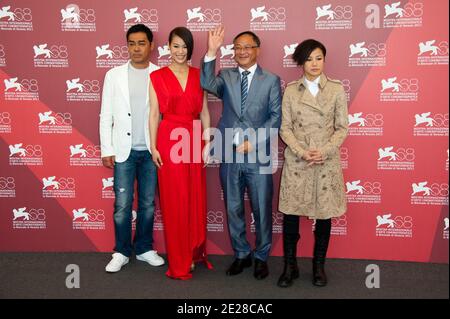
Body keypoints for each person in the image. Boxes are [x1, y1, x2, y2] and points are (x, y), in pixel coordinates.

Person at [201, 26, 282, 280]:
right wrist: (211, 51)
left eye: (247, 47)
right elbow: (206, 83)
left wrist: (254, 141)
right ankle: (241, 253)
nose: (242, 51)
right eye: (237, 48)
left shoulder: (271, 80)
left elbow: (275, 117)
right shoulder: (226, 76)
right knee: (233, 207)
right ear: (233, 52)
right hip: (229, 154)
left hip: (258, 156)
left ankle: (261, 256)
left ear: (257, 50)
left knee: (261, 208)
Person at [277, 39, 348, 287]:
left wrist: (325, 151)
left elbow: (342, 128)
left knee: (325, 216)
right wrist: (301, 151)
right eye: (309, 59)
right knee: (291, 216)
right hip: (299, 162)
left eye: (318, 58)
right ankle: (290, 266)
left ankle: (319, 267)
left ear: (324, 60)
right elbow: (285, 128)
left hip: (325, 163)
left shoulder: (336, 90)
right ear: (300, 62)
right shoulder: (291, 90)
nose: (314, 64)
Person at [100, 24, 165, 273]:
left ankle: (145, 248)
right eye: (131, 43)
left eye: (141, 43)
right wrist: (107, 148)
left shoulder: (160, 74)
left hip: (151, 151)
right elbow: (106, 114)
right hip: (123, 151)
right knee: (123, 204)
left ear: (151, 45)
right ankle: (121, 251)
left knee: (148, 203)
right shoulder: (113, 75)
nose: (136, 48)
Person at [149, 27, 212, 280]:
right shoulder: (157, 76)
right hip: (169, 138)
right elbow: (154, 114)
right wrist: (153, 146)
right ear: (168, 47)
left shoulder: (200, 76)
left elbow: (205, 111)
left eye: (184, 46)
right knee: (175, 202)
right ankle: (179, 260)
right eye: (175, 46)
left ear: (190, 49)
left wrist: (208, 142)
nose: (180, 51)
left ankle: (192, 252)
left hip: (193, 137)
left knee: (194, 199)